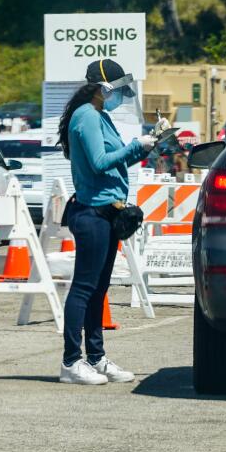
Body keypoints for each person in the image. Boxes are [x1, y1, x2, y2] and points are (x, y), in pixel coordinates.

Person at [56, 59, 164, 385]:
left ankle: (97, 358)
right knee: (84, 288)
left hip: (108, 211)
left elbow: (118, 160)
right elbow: (101, 163)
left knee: (99, 288)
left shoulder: (100, 116)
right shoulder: (86, 116)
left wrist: (147, 145)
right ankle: (71, 362)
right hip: (92, 212)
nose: (121, 95)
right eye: (117, 89)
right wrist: (136, 145)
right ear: (103, 88)